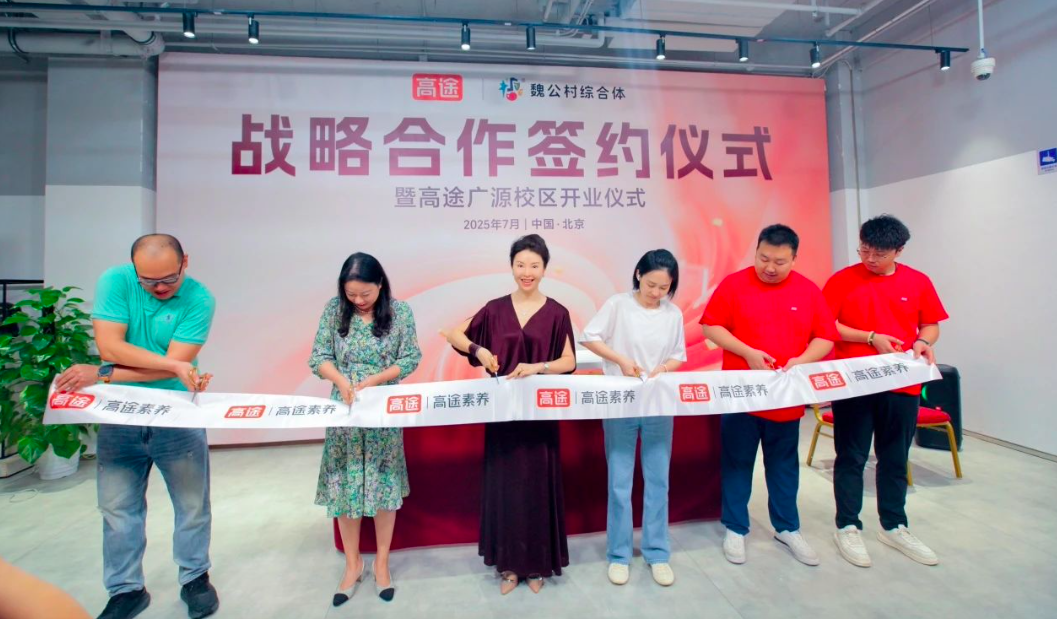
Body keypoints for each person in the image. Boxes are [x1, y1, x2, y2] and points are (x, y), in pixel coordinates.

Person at [54, 234, 218, 619]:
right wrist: (171, 364)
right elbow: (110, 347)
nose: (159, 288)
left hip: (176, 415)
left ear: (185, 262)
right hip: (120, 414)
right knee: (117, 508)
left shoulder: (200, 299)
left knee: (192, 504)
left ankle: (195, 578)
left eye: (169, 279)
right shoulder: (115, 281)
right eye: (149, 281)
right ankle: (126, 589)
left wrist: (104, 373)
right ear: (134, 270)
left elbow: (158, 365)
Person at [443, 234, 576, 595]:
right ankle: (509, 567)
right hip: (502, 415)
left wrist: (538, 366)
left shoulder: (558, 313)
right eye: (520, 264)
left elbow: (569, 361)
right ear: (511, 267)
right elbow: (453, 334)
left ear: (545, 269)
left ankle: (537, 566)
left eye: (534, 265)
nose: (526, 272)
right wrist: (479, 350)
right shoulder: (495, 308)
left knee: (537, 488)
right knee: (507, 488)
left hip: (540, 416)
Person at [700, 224, 838, 567]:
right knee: (737, 462)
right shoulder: (735, 284)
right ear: (756, 252)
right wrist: (747, 352)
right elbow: (711, 325)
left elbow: (825, 336)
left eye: (779, 262)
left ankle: (787, 527)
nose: (770, 268)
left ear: (794, 259)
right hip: (741, 395)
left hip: (784, 397)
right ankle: (735, 528)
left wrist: (801, 361)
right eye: (763, 259)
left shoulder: (807, 290)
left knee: (783, 465)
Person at [822, 214, 947, 568]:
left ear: (899, 251)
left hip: (901, 382)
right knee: (851, 456)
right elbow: (826, 326)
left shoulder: (918, 281)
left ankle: (893, 525)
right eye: (864, 250)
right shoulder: (842, 280)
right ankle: (847, 525)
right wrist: (870, 337)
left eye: (879, 253)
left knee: (894, 457)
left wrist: (923, 342)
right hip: (855, 382)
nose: (870, 258)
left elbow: (931, 324)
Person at [308, 252, 422, 605]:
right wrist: (341, 380)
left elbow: (410, 358)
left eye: (365, 294)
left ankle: (382, 562)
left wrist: (376, 380)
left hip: (382, 410)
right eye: (351, 294)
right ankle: (353, 563)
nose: (358, 300)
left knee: (383, 483)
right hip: (344, 412)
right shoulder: (334, 310)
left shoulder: (400, 312)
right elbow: (319, 357)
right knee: (345, 486)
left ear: (380, 285)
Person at [580, 249, 687, 587]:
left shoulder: (673, 314)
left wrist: (663, 369)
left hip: (657, 404)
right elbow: (590, 337)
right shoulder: (618, 305)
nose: (656, 293)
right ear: (639, 274)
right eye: (651, 284)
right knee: (619, 481)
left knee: (658, 480)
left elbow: (678, 356)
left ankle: (657, 552)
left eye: (664, 288)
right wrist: (621, 361)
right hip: (621, 404)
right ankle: (619, 554)